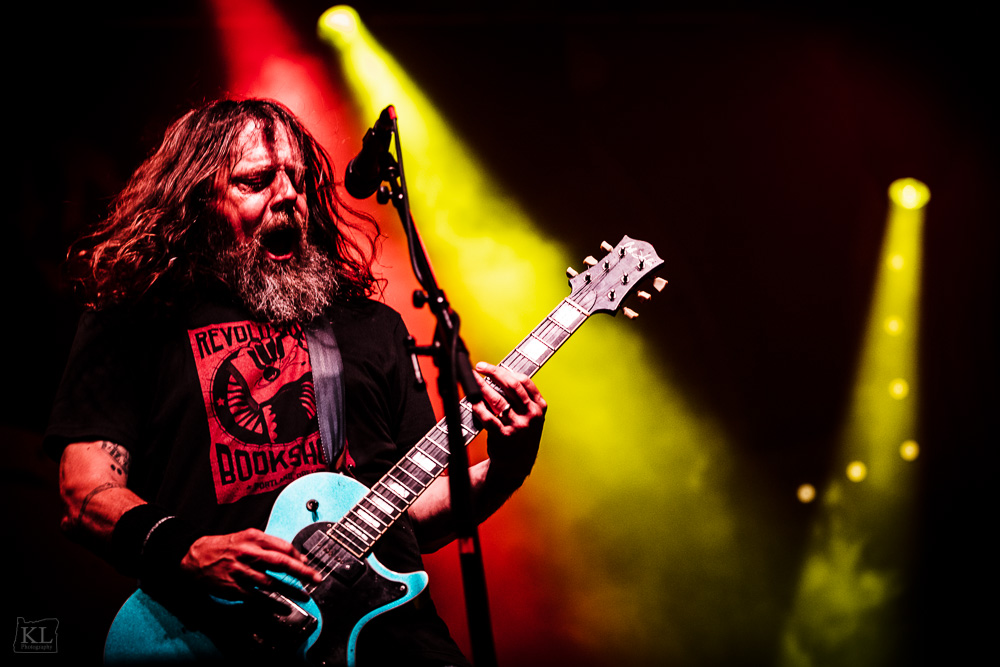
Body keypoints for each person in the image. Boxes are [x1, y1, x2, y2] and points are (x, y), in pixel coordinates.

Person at [45, 98, 546, 666]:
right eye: (256, 181)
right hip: (213, 639)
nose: (287, 196)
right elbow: (83, 492)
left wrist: (506, 468)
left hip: (395, 643)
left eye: (298, 182)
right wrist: (187, 552)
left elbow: (414, 511)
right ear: (196, 202)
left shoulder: (370, 326)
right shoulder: (133, 320)